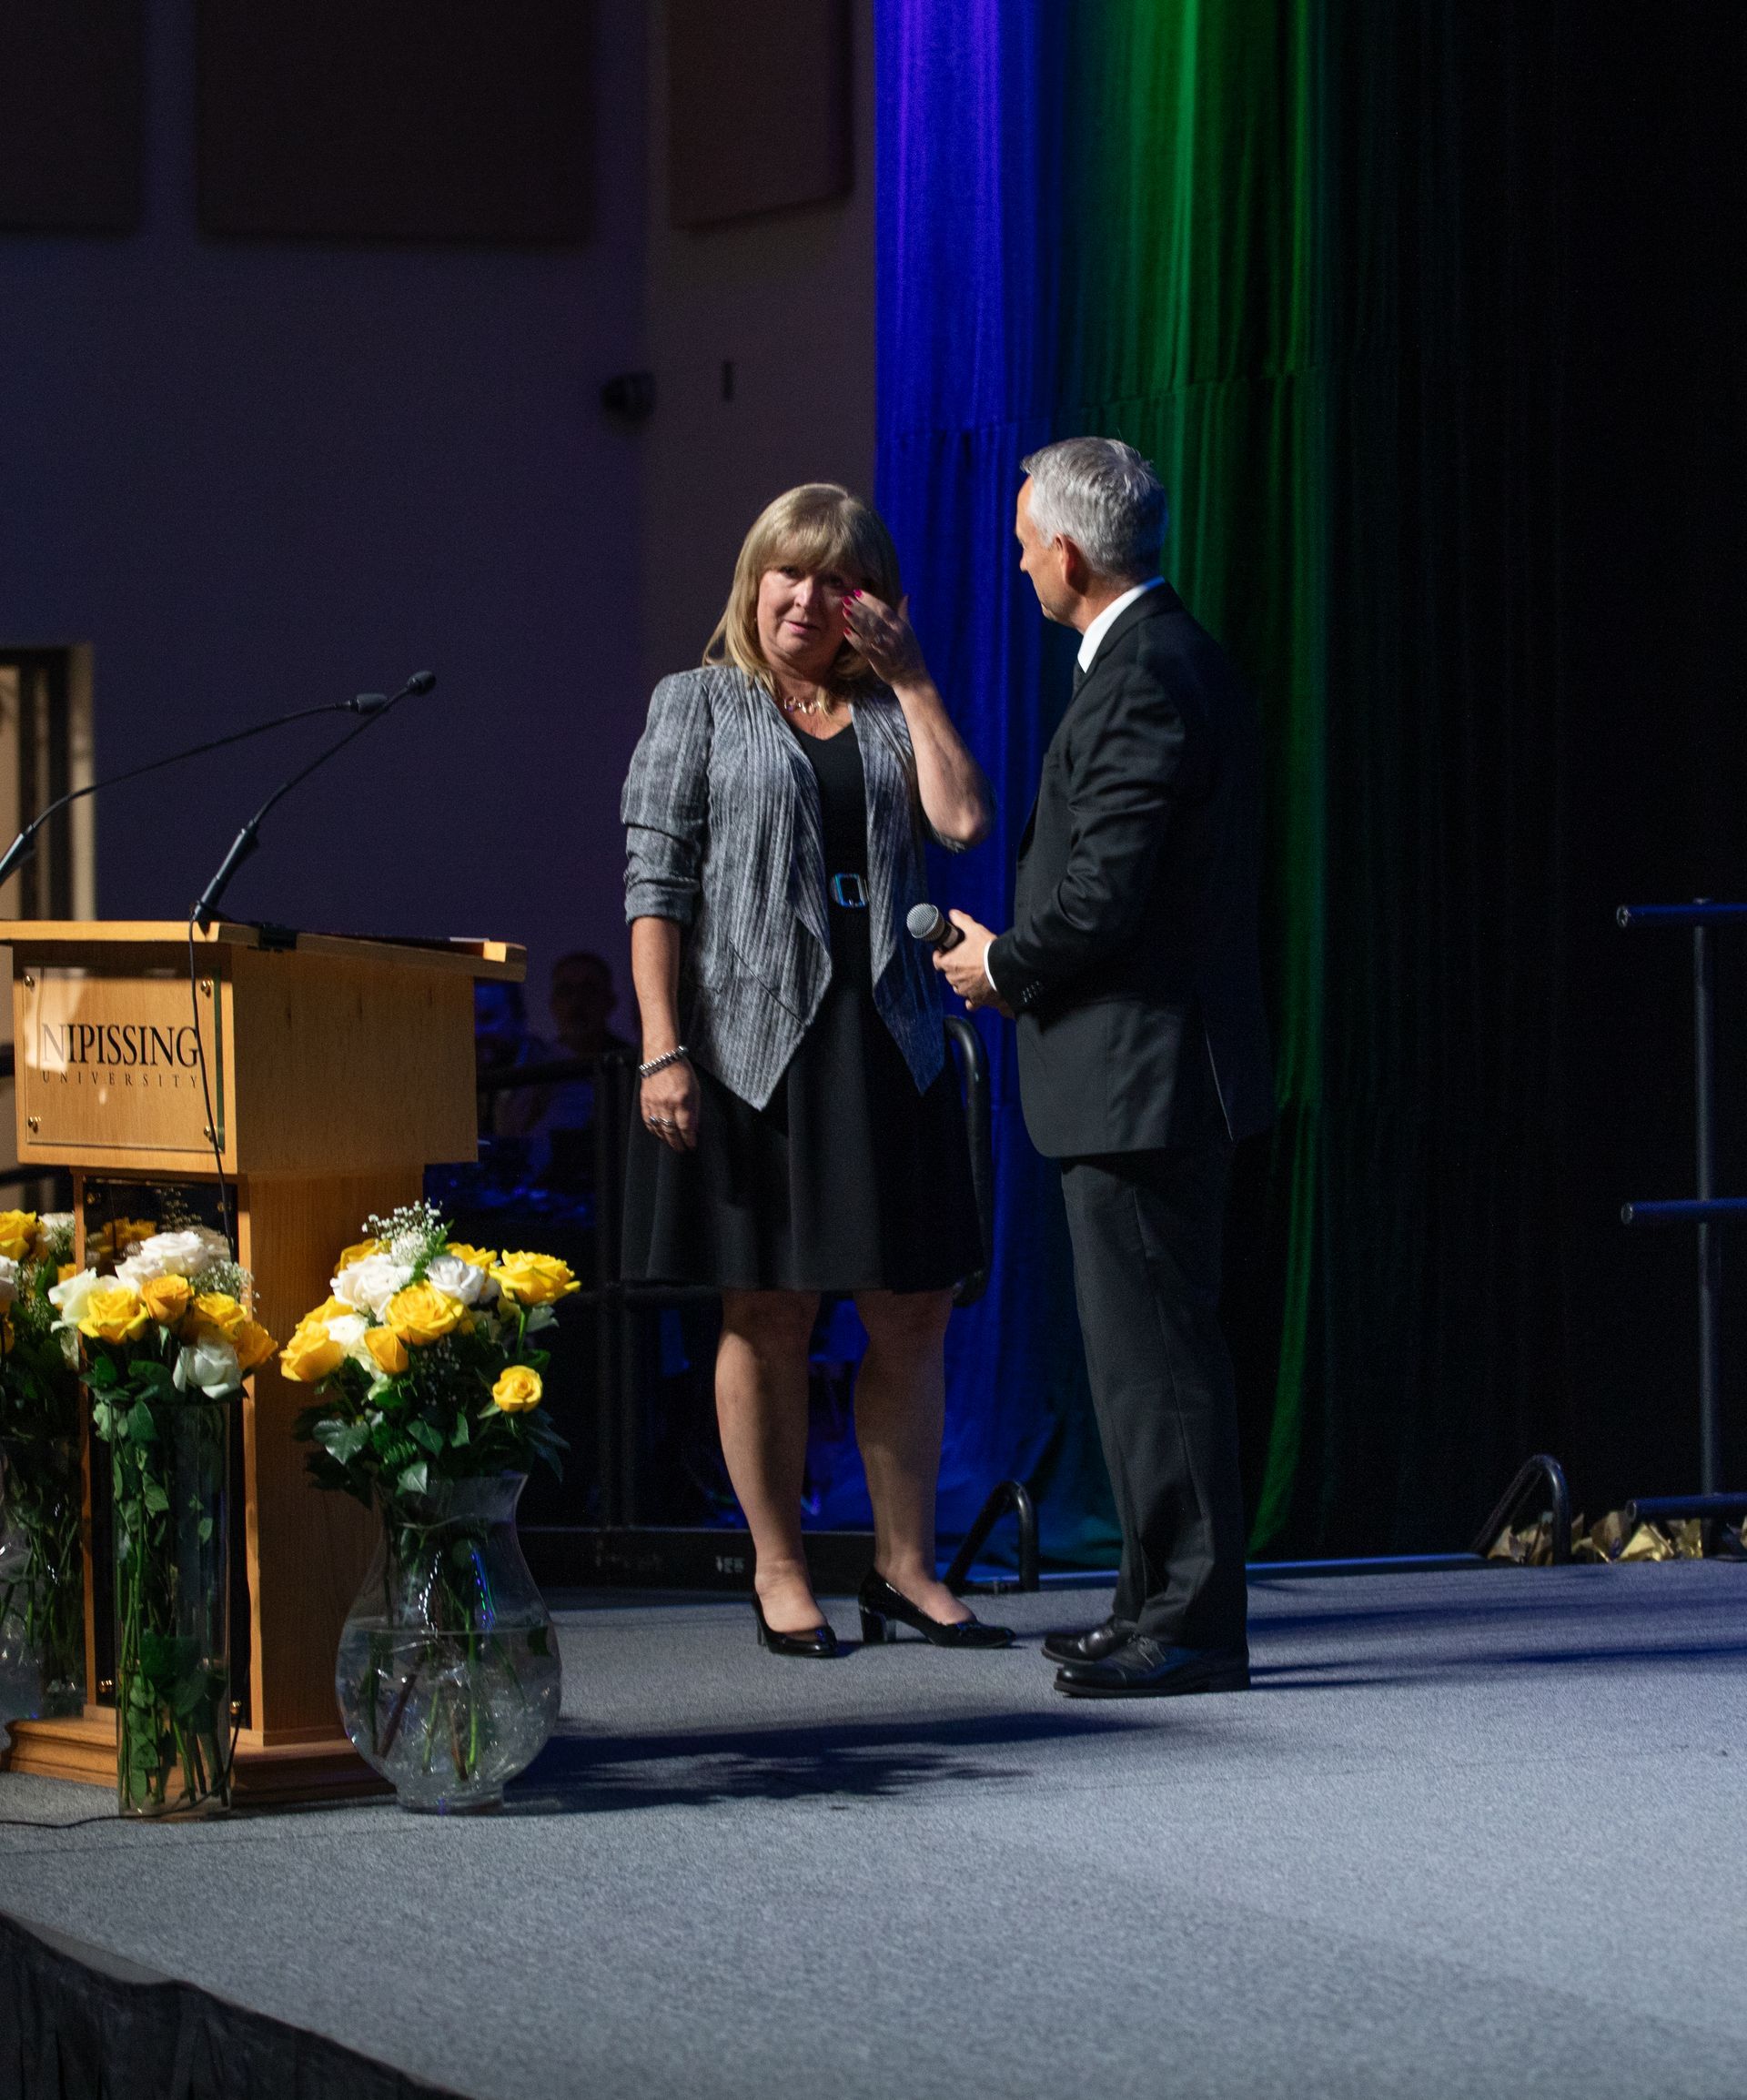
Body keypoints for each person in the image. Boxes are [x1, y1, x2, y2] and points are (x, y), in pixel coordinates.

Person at [621, 482, 1010, 1659]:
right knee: (768, 1310)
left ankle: (903, 1571)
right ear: (752, 581)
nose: (801, 598)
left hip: (887, 1038)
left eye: (832, 580)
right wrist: (660, 1045)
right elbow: (657, 888)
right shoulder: (695, 704)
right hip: (749, 1049)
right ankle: (780, 1569)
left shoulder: (892, 710)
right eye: (784, 573)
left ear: (870, 602)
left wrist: (919, 680)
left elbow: (962, 826)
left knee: (910, 1311)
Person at [936, 438, 1273, 1698]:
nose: (1019, 558)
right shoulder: (1154, 658)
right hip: (1139, 1073)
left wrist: (1003, 968)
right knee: (1139, 1366)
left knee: (1161, 1364)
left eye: (1027, 539)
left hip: (1145, 1080)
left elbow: (1104, 896)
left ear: (1068, 554)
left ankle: (1188, 1625)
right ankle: (1151, 1605)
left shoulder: (1145, 675)